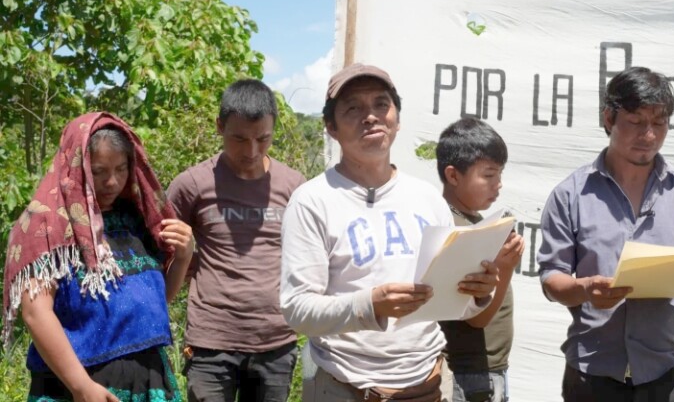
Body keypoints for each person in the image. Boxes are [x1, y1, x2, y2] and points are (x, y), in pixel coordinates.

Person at [280, 63, 501, 402]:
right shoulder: (312, 201)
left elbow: (452, 303)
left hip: (425, 385)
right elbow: (298, 310)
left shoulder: (427, 199)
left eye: (381, 104)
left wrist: (478, 293)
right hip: (344, 387)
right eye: (353, 108)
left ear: (397, 118)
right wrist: (370, 305)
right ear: (331, 127)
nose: (370, 116)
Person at [537, 66, 674, 402]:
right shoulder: (570, 194)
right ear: (609, 119)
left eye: (659, 123)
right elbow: (551, 279)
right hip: (593, 372)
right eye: (636, 121)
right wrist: (585, 290)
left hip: (667, 371)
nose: (649, 135)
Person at [2, 112, 194, 402]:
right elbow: (35, 312)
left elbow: (157, 299)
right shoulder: (46, 225)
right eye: (99, 171)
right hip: (76, 386)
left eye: (121, 169)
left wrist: (183, 256)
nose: (112, 182)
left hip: (148, 380)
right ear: (76, 167)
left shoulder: (136, 219)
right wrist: (81, 387)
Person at [166, 79, 305, 402]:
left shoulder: (294, 186)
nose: (251, 151)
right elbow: (166, 251)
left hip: (276, 341)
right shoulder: (192, 184)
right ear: (219, 127)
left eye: (263, 139)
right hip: (211, 343)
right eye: (239, 138)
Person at [436, 117, 525, 402]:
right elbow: (478, 318)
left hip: (484, 370)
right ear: (453, 176)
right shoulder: (456, 230)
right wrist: (505, 267)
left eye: (499, 174)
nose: (498, 185)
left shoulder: (470, 222)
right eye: (488, 175)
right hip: (468, 375)